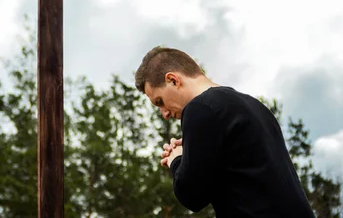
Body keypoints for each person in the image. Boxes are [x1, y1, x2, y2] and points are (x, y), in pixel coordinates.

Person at [134, 46, 315, 217]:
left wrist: (176, 159)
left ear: (173, 80)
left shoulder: (199, 108)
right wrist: (193, 151)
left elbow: (192, 195)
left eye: (160, 102)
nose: (164, 113)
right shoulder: (255, 106)